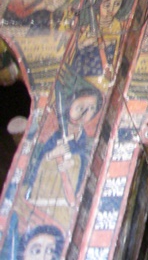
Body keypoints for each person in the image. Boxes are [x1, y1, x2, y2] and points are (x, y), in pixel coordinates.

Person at [25, 88, 102, 227]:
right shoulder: (55, 137)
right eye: (80, 107)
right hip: (47, 196)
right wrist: (52, 155)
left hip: (68, 201)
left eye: (91, 109)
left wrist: (74, 161)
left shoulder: (85, 141)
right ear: (69, 107)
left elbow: (86, 165)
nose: (85, 112)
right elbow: (38, 163)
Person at [72, 0, 128, 79]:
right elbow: (80, 44)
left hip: (102, 66)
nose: (111, 9)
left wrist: (107, 43)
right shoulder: (93, 21)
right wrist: (89, 41)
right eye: (107, 5)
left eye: (117, 4)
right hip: (86, 65)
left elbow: (117, 49)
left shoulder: (117, 25)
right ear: (99, 5)